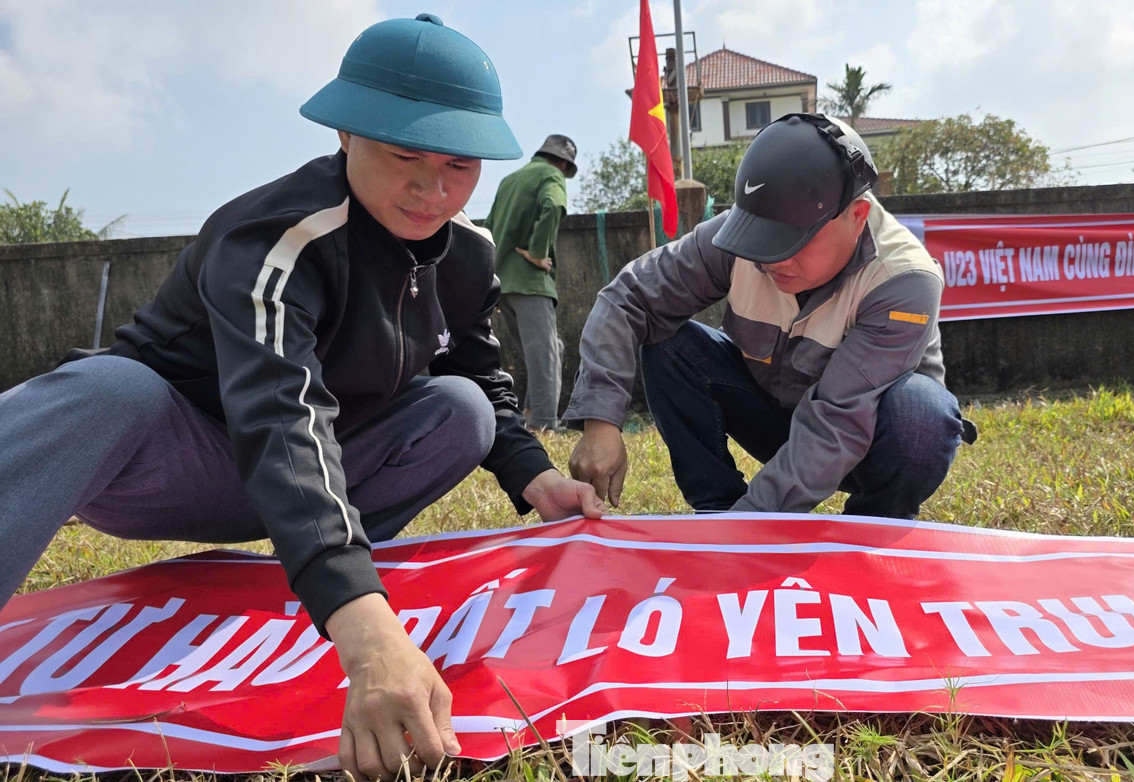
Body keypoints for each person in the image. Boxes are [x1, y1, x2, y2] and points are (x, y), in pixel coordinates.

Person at [0, 14, 604, 778]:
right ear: (347, 135)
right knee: (106, 390)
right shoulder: (276, 238)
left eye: (458, 163)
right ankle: (347, 598)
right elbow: (278, 414)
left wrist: (536, 476)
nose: (431, 187)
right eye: (403, 154)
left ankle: (315, 588)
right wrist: (370, 637)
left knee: (463, 412)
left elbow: (480, 370)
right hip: (183, 461)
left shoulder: (468, 254)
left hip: (324, 481)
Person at [566, 113, 974, 518]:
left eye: (794, 240)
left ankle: (870, 525)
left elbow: (838, 421)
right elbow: (627, 297)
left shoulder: (901, 280)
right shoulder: (735, 239)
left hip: (865, 437)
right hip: (776, 416)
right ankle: (715, 508)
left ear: (856, 217)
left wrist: (750, 524)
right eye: (762, 235)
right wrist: (600, 420)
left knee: (922, 414)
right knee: (670, 345)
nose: (772, 258)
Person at [484, 134, 577, 431]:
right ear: (562, 163)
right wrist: (537, 253)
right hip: (530, 283)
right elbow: (553, 207)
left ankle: (529, 413)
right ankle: (546, 424)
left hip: (503, 283)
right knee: (545, 355)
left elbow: (487, 228)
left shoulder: (509, 181)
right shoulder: (551, 175)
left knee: (548, 350)